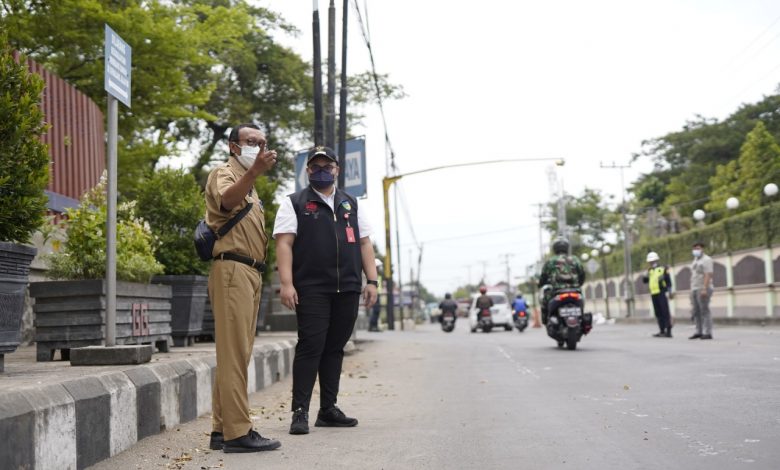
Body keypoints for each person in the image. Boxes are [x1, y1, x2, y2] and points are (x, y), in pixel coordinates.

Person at [273, 145, 379, 436]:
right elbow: (284, 243)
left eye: (327, 166)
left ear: (337, 170)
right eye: (316, 167)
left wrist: (372, 281)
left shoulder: (350, 203)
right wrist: (286, 283)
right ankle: (300, 412)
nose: (322, 171)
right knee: (311, 347)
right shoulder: (294, 203)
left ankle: (328, 409)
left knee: (335, 348)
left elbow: (364, 243)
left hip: (347, 287)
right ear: (307, 171)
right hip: (311, 288)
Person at [205, 123, 281, 453]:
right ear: (234, 146)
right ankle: (239, 432)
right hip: (232, 269)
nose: (259, 147)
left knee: (237, 354)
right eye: (252, 141)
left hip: (249, 273)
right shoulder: (225, 172)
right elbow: (225, 201)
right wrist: (253, 173)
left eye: (262, 143)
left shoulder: (252, 186)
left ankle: (222, 429)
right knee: (234, 354)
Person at [539, 237, 585, 325]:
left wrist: (541, 284)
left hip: (557, 291)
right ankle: (581, 318)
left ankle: (545, 320)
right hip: (575, 290)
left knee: (545, 301)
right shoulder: (575, 259)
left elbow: (543, 276)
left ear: (554, 248)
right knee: (582, 299)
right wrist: (579, 284)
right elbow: (582, 274)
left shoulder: (551, 261)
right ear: (567, 248)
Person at [642, 252, 673, 338]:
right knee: (658, 312)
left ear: (657, 260)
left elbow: (668, 281)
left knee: (665, 312)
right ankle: (662, 330)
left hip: (662, 292)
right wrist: (645, 275)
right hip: (653, 293)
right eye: (650, 261)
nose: (651, 262)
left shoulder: (663, 269)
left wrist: (670, 292)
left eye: (653, 260)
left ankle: (669, 331)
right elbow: (645, 281)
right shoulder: (650, 271)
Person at [689, 241, 714, 340]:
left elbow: (708, 274)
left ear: (702, 249)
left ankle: (708, 332)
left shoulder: (707, 260)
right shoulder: (695, 260)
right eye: (694, 248)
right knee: (696, 311)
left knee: (704, 310)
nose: (696, 250)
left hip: (703, 288)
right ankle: (698, 331)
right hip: (694, 288)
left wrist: (704, 288)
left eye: (698, 248)